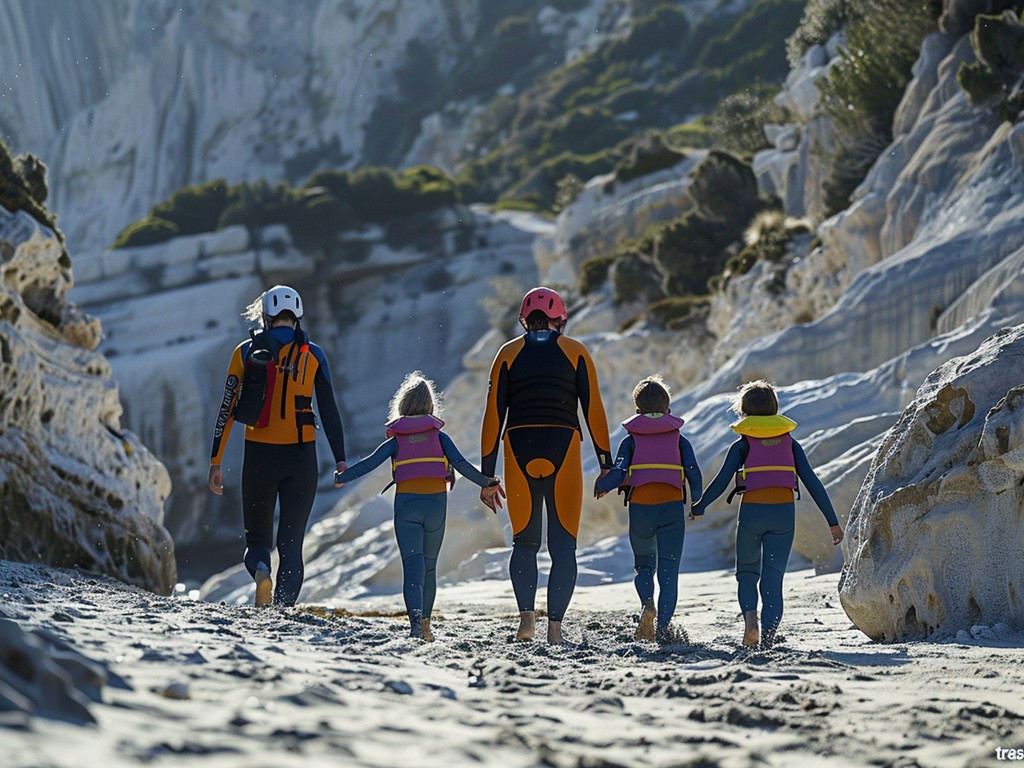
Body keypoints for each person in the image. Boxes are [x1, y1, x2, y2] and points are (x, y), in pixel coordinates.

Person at [480, 286, 613, 645]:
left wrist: (487, 475)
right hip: (563, 447)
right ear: (561, 320)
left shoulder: (506, 353)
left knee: (524, 543)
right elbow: (593, 411)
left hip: (517, 448)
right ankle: (554, 630)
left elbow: (493, 415)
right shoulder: (576, 352)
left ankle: (526, 622)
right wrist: (606, 463)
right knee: (563, 546)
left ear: (524, 319)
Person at [334, 372, 503, 641]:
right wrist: (489, 481)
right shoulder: (440, 438)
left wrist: (342, 477)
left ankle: (414, 625)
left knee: (412, 567)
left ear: (402, 405)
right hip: (435, 505)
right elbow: (461, 465)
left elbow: (368, 464)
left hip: (406, 505)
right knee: (429, 567)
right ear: (430, 406)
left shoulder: (396, 440)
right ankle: (425, 626)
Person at [209, 285, 348, 607]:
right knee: (291, 544)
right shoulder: (314, 354)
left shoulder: (245, 351)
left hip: (259, 455)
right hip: (302, 457)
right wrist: (341, 460)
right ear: (297, 316)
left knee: (257, 541)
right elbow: (329, 410)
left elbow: (227, 408)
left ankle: (261, 572)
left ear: (266, 316)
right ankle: (284, 610)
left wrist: (216, 461)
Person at [690, 380, 843, 649]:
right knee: (773, 578)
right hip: (783, 514)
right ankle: (768, 640)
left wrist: (700, 505)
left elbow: (722, 480)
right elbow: (813, 482)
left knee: (747, 573)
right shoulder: (791, 444)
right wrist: (832, 522)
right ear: (775, 410)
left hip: (752, 514)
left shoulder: (742, 445)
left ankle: (751, 620)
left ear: (744, 413)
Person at [595, 376, 702, 643]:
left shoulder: (631, 440)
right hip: (671, 509)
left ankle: (647, 604)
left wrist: (604, 485)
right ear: (668, 409)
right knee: (669, 570)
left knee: (643, 565)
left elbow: (619, 470)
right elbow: (692, 471)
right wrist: (697, 502)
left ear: (637, 411)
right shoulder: (679, 440)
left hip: (641, 509)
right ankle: (664, 629)